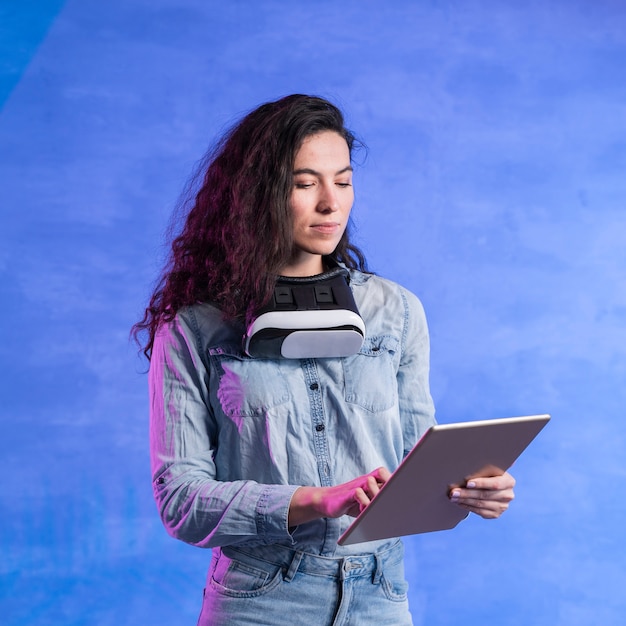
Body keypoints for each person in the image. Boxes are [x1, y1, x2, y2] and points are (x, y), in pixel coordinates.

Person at [133, 94, 515, 625]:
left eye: (344, 180)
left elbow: (414, 467)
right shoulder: (195, 328)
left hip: (379, 592)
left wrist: (470, 490)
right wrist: (313, 500)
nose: (331, 203)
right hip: (262, 597)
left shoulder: (395, 312)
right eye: (305, 183)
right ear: (258, 194)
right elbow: (181, 502)